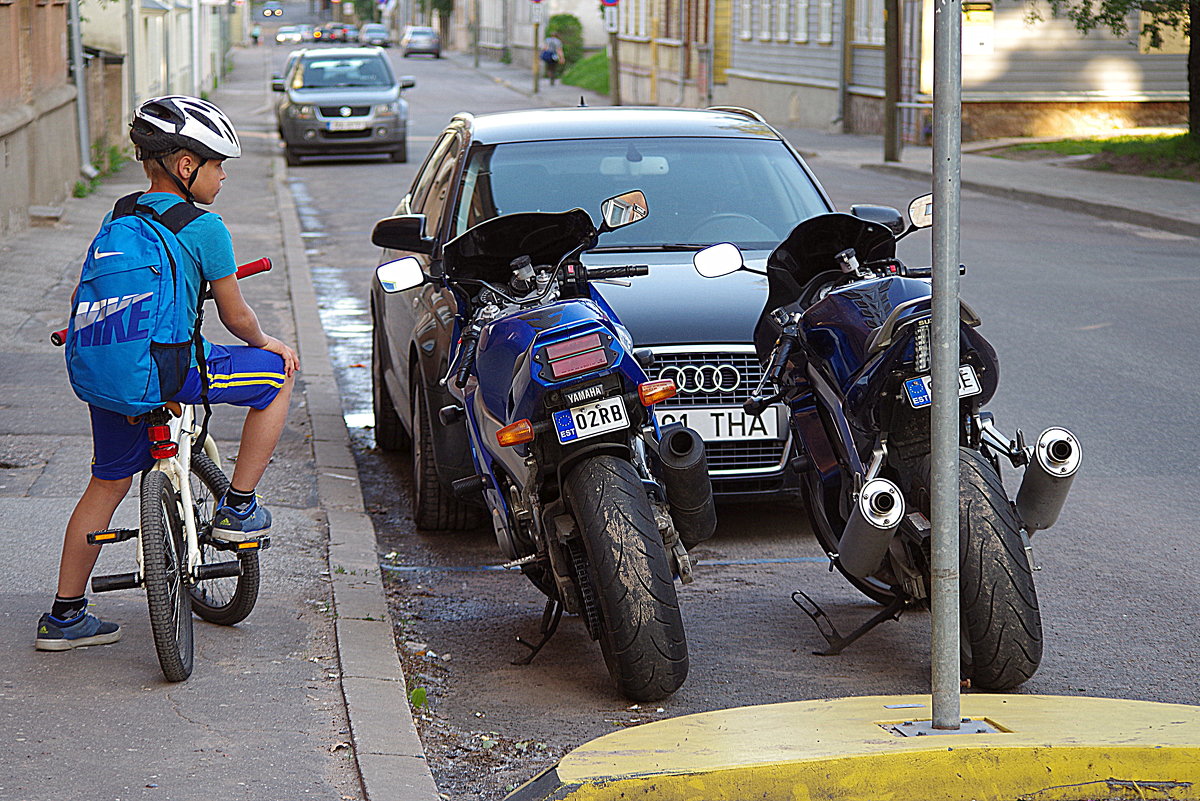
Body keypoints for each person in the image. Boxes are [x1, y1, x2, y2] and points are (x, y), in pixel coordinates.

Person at [35, 96, 299, 652]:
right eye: (219, 165)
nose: (223, 177)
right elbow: (235, 316)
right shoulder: (205, 228)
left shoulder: (121, 214)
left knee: (107, 481)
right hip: (173, 371)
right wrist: (265, 341)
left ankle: (64, 616)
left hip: (108, 371)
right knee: (276, 377)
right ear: (187, 166)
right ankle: (238, 506)